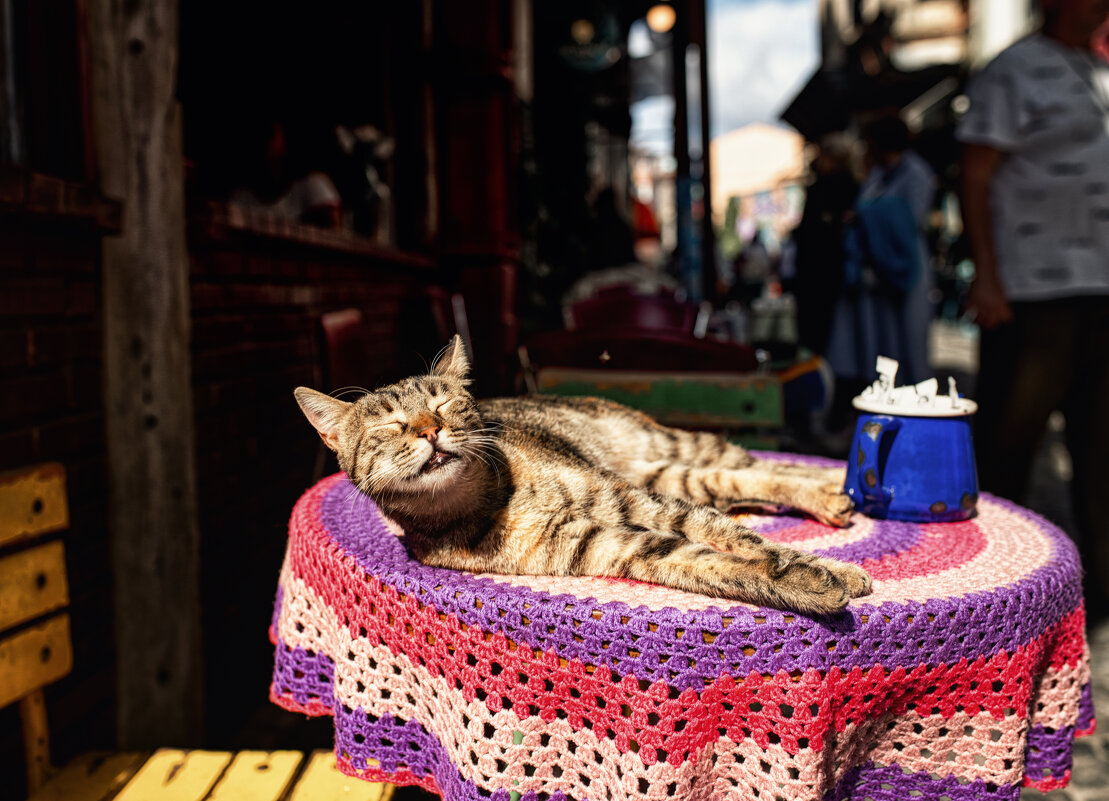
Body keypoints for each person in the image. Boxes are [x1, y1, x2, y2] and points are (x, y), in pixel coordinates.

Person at [957, 0, 1109, 622]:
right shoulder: (1012, 70)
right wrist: (987, 278)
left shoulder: (1096, 70)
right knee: (1008, 444)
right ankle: (986, 592)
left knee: (1101, 446)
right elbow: (975, 177)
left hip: (1099, 288)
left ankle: (1099, 591)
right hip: (1032, 291)